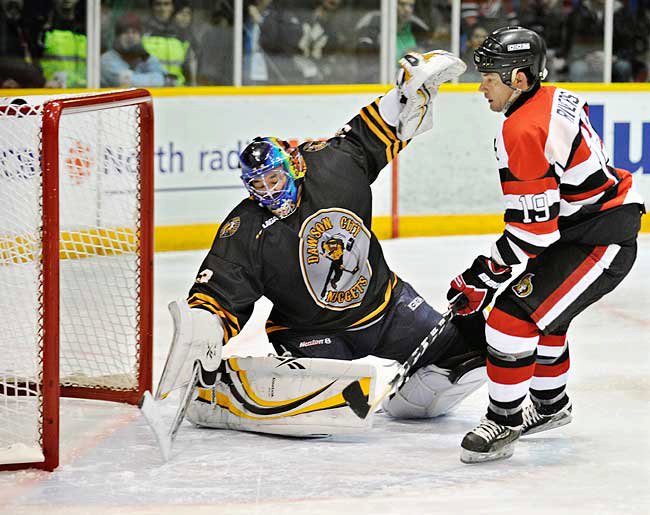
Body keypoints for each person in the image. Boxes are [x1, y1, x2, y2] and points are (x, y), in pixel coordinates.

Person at [155, 51, 483, 436]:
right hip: (309, 334)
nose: (269, 191)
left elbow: (373, 133)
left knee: (468, 353)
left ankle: (408, 401)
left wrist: (408, 94)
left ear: (291, 167)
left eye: (274, 179)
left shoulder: (332, 166)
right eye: (258, 185)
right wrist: (205, 329)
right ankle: (228, 395)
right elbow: (221, 293)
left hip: (387, 308)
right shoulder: (245, 227)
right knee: (327, 414)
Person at [448, 26, 645, 464]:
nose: (481, 86)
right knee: (546, 315)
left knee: (509, 318)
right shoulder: (554, 96)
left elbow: (533, 232)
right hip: (588, 226)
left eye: (490, 77)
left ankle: (505, 418)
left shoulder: (521, 130)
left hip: (602, 241)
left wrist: (481, 277)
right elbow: (545, 218)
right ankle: (552, 406)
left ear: (519, 78)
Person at [100, 12, 167, 88]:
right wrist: (155, 77)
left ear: (140, 36)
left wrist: (145, 58)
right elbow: (127, 83)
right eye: (125, 32)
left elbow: (164, 79)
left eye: (134, 32)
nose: (130, 36)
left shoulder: (143, 55)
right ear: (117, 37)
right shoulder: (107, 60)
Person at [142, 0, 196, 86]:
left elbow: (188, 69)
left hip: (177, 93)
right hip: (151, 90)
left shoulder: (182, 35)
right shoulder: (142, 33)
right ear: (152, 8)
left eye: (166, 4)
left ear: (173, 8)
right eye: (158, 4)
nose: (162, 8)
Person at [39, 0, 86, 88]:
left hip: (85, 91)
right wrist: (41, 81)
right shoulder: (41, 30)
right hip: (50, 92)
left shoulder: (89, 27)